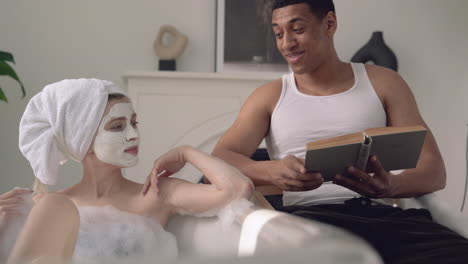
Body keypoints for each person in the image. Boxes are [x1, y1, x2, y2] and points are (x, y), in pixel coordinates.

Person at [191, 0, 468, 263]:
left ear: (330, 24)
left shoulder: (385, 82)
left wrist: (391, 186)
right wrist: (272, 171)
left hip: (385, 218)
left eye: (297, 29)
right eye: (278, 34)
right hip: (308, 222)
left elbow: (434, 171)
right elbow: (222, 158)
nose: (287, 44)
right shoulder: (269, 96)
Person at [0, 79, 254, 264]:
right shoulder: (51, 205)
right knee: (54, 205)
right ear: (83, 140)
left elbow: (238, 190)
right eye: (117, 126)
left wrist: (186, 152)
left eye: (134, 123)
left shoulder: (157, 194)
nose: (133, 135)